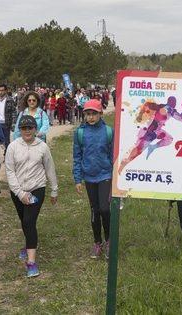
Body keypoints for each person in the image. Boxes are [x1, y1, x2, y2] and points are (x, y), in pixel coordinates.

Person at [5, 115, 58, 278]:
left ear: (35, 129)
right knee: (24, 220)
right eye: (24, 128)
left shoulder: (42, 147)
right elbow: (9, 171)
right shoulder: (13, 147)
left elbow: (50, 168)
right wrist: (20, 193)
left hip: (37, 188)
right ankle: (28, 244)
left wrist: (54, 189)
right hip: (17, 190)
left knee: (29, 221)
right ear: (19, 130)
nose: (27, 131)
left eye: (30, 128)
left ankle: (31, 262)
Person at [72, 99, 113, 259]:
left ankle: (109, 241)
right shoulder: (80, 133)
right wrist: (77, 179)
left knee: (105, 209)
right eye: (88, 114)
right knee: (94, 211)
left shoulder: (109, 131)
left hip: (105, 175)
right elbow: (77, 156)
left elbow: (113, 155)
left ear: (100, 114)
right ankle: (97, 242)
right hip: (89, 176)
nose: (91, 117)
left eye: (94, 114)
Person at [0, 84, 16, 150]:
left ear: (5, 91)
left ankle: (7, 156)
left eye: (2, 90)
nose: (0, 92)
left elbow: (13, 112)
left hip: (6, 123)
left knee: (6, 141)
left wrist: (13, 123)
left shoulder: (10, 100)